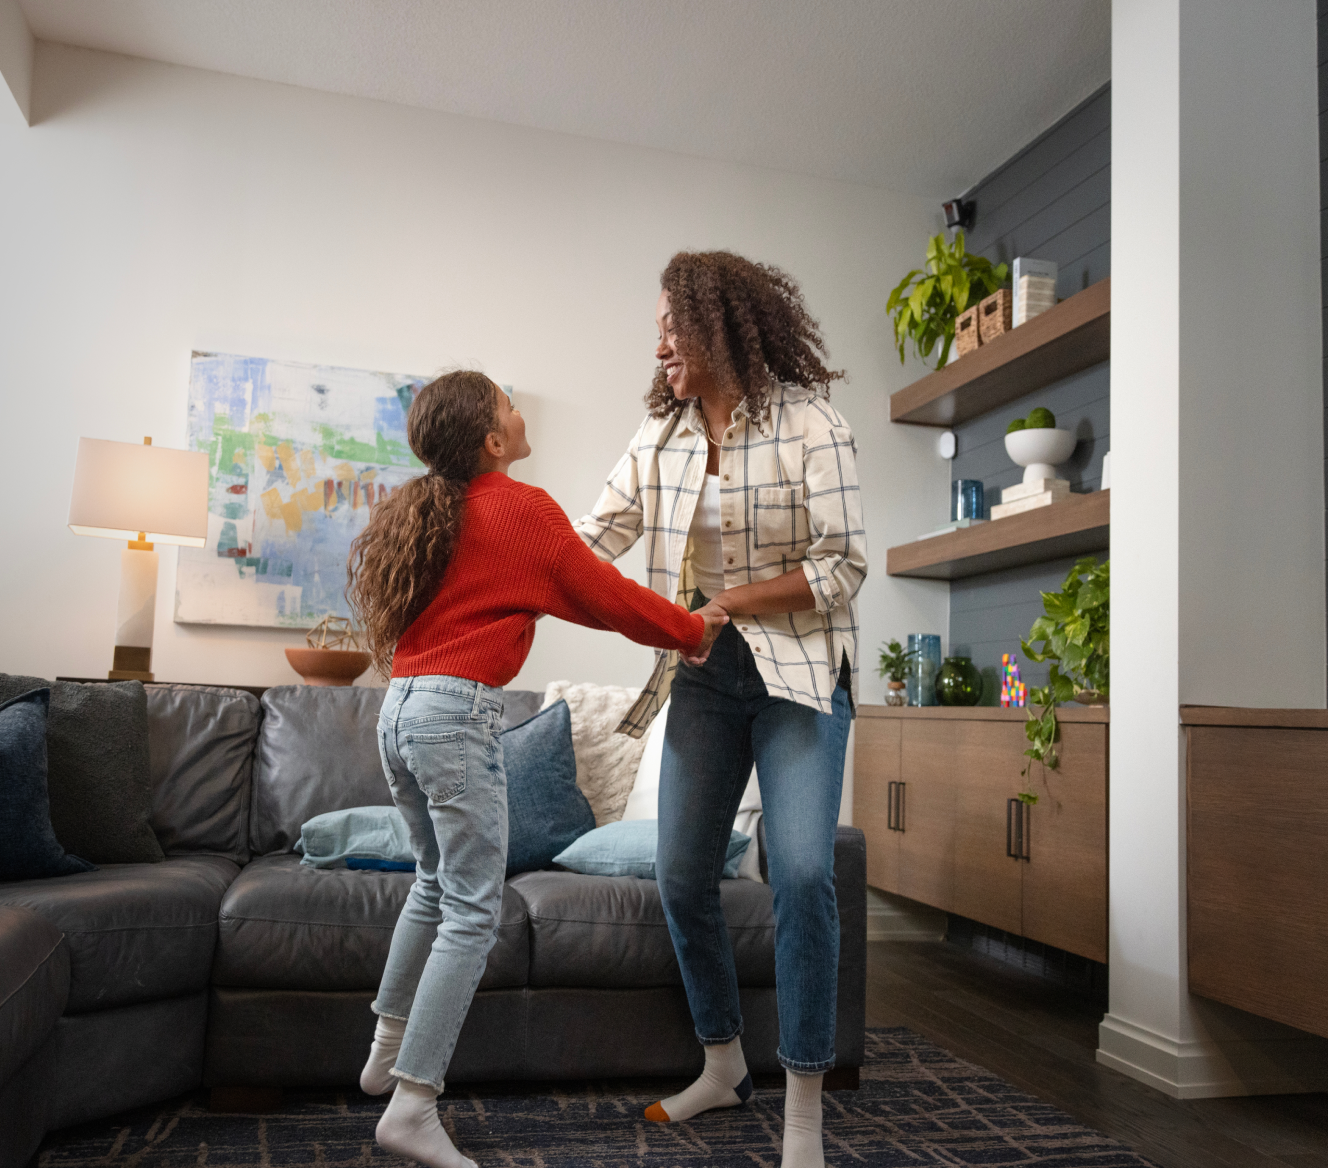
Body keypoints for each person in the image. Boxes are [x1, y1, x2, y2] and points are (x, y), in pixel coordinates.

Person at [346, 370, 728, 1168]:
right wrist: (690, 628)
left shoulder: (428, 509)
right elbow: (605, 596)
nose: (519, 415)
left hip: (402, 711)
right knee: (474, 909)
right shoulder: (521, 508)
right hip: (455, 717)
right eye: (508, 407)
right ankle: (413, 1104)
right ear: (493, 440)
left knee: (432, 882)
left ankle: (384, 1051)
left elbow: (580, 596)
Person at [574, 252, 866, 1168]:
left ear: (720, 326)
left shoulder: (814, 424)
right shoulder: (657, 439)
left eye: (672, 323)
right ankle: (722, 1063)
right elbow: (592, 539)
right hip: (703, 681)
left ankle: (805, 1107)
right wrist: (502, 560)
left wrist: (729, 602)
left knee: (807, 874)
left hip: (803, 681)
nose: (658, 342)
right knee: (681, 876)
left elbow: (841, 566)